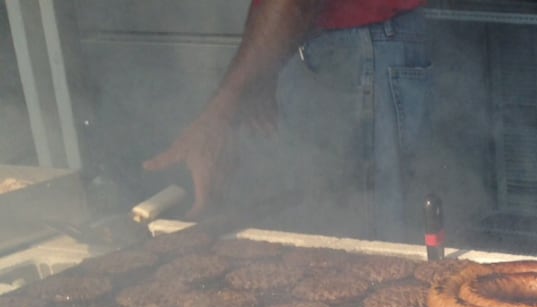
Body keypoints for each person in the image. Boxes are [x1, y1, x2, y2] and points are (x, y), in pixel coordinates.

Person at [144, 0, 431, 243]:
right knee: (328, 236)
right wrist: (266, 69)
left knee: (364, 250)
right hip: (334, 42)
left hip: (361, 47)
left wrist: (217, 117)